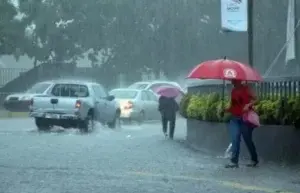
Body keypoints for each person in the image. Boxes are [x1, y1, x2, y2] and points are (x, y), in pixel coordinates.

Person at [225, 80, 259, 168]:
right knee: (235, 138)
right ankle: (234, 161)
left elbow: (257, 99)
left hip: (245, 118)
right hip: (234, 118)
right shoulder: (233, 91)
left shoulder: (246, 89)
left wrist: (248, 105)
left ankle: (254, 159)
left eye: (234, 81)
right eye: (232, 81)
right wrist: (226, 109)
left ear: (239, 81)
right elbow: (232, 105)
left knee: (247, 139)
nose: (232, 82)